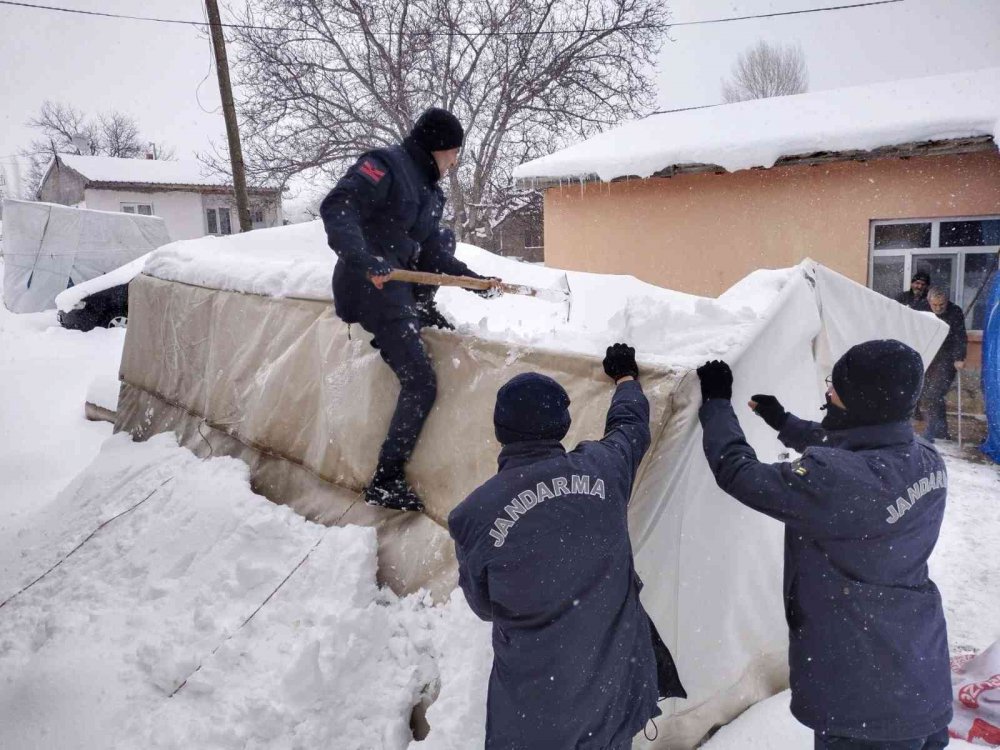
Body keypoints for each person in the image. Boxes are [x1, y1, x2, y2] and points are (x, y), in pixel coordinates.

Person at [696, 340, 952, 750]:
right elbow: (859, 447)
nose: (828, 391)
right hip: (919, 677)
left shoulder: (839, 482)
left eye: (837, 387)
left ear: (864, 402)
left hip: (864, 700)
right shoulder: (924, 458)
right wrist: (783, 421)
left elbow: (739, 473)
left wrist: (715, 404)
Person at [448, 344, 685, 749]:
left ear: (500, 431)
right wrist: (625, 378)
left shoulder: (474, 515)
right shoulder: (603, 469)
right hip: (610, 700)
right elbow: (630, 427)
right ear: (562, 424)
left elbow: (484, 607)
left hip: (534, 716)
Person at [320, 108, 500, 512]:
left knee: (444, 238)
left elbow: (433, 254)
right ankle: (386, 480)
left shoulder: (430, 193)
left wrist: (475, 281)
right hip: (370, 287)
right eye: (454, 152)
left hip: (399, 288)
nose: (455, 161)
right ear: (438, 146)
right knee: (420, 381)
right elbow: (339, 205)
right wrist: (364, 259)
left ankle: (421, 309)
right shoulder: (385, 165)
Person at [917, 287, 968, 442]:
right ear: (929, 301)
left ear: (947, 301)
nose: (938, 308)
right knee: (925, 392)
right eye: (935, 305)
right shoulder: (921, 309)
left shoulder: (955, 312)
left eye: (942, 305)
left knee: (935, 393)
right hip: (928, 354)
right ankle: (940, 431)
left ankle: (933, 430)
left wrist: (959, 357)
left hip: (947, 357)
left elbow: (960, 336)